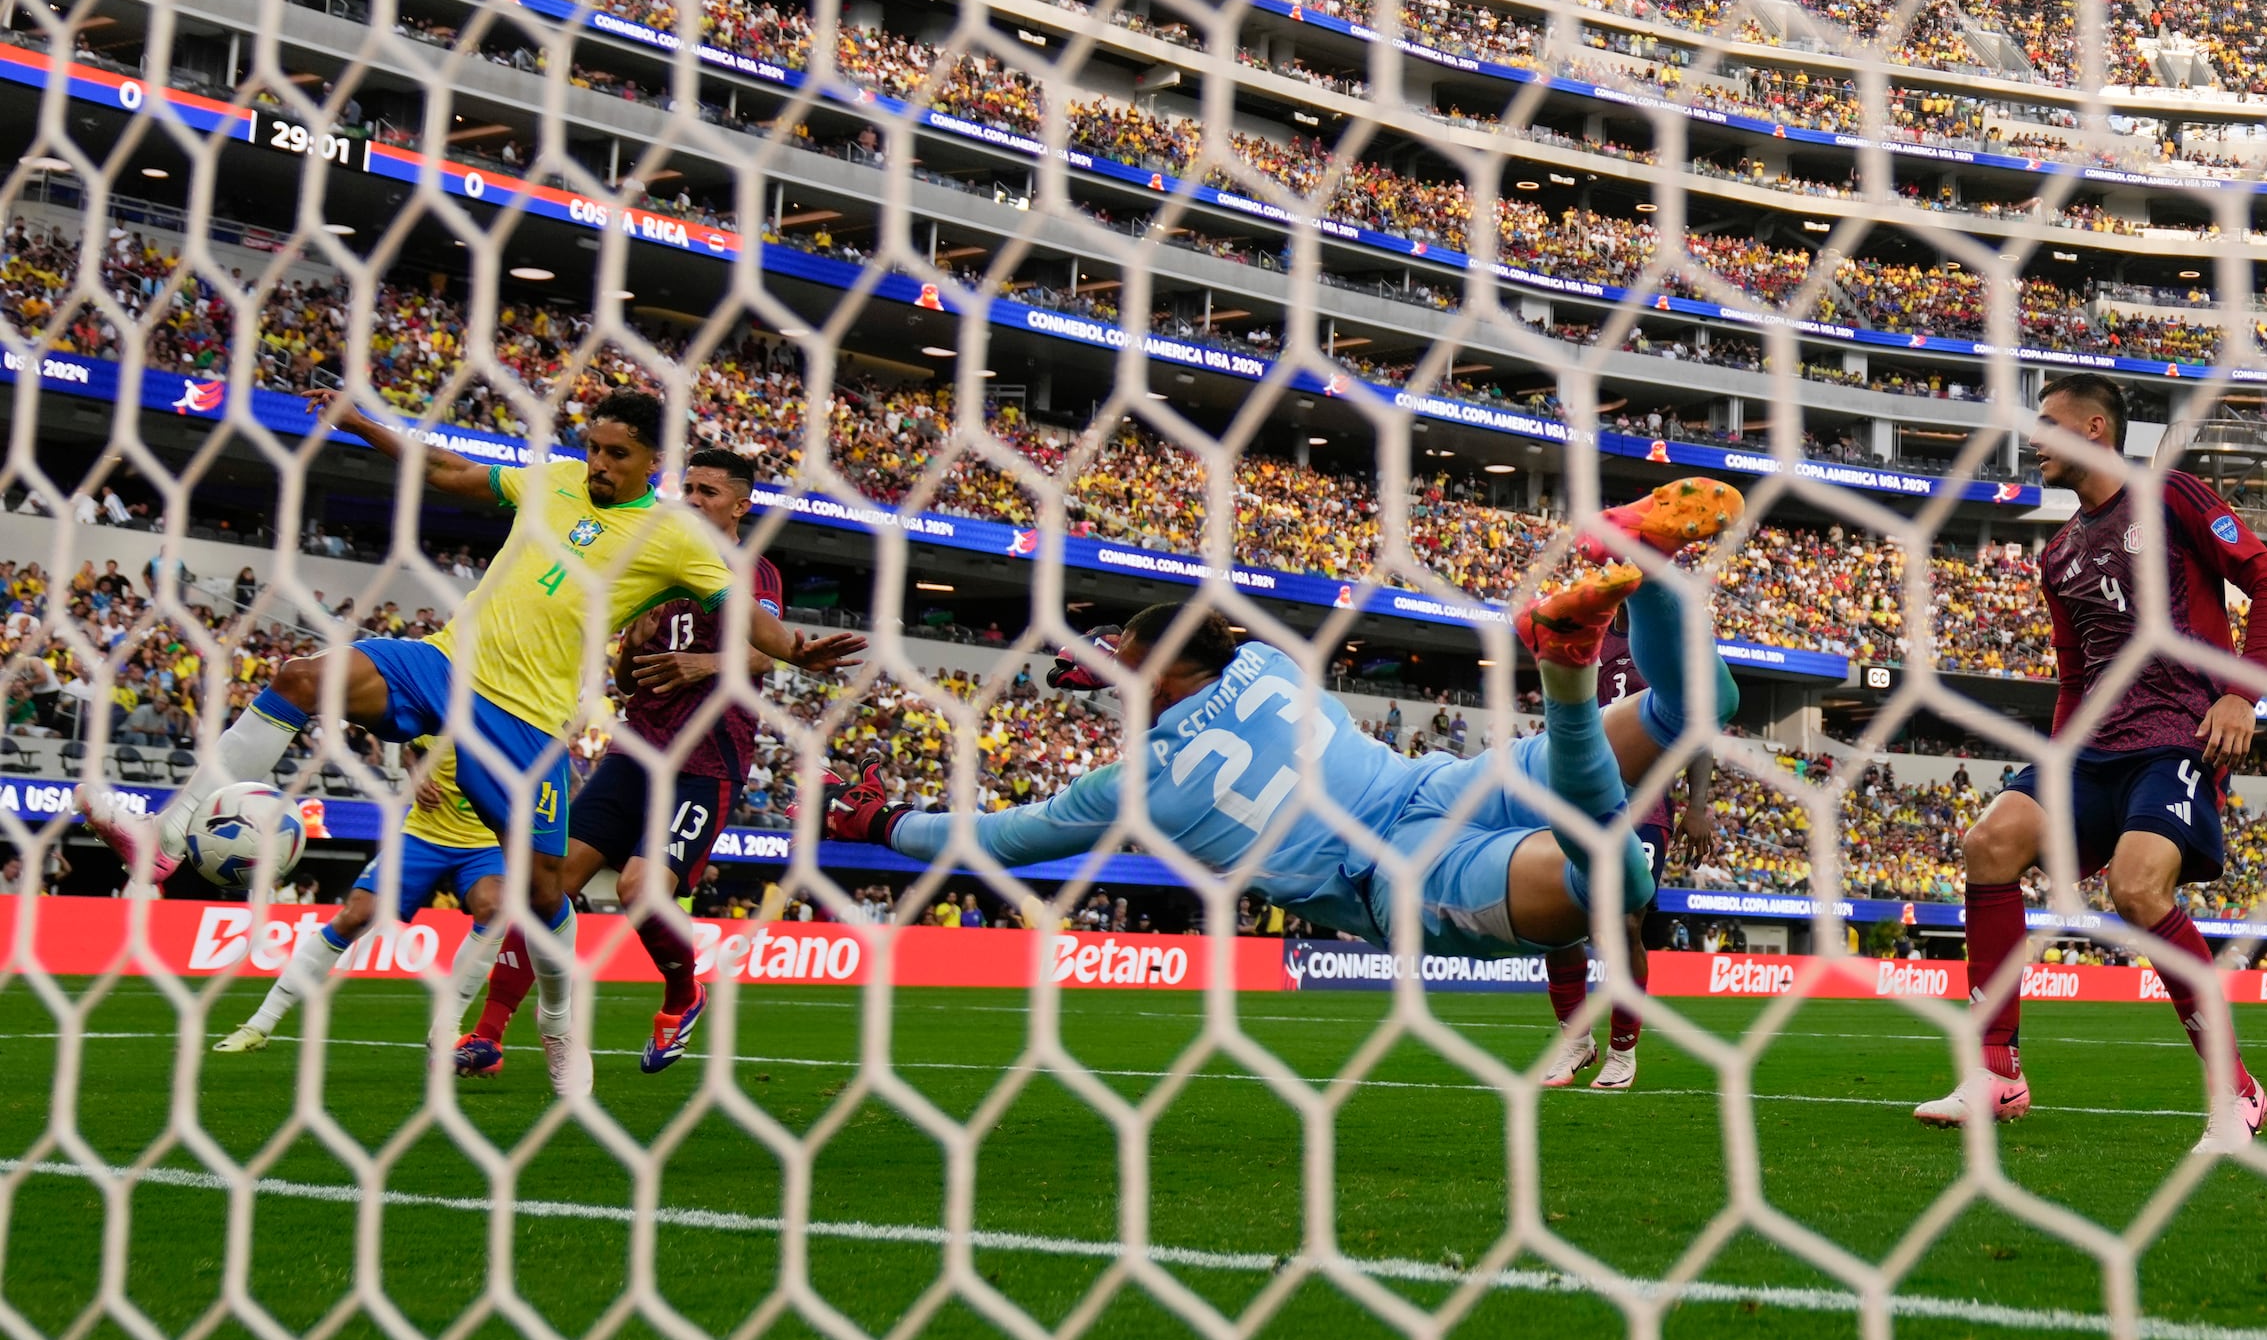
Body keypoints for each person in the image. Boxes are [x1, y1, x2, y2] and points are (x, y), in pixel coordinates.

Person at [84, 389, 859, 1094]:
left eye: (616, 453)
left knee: (544, 890)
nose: (597, 462)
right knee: (300, 676)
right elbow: (453, 471)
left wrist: (794, 650)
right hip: (445, 665)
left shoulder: (673, 537)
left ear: (654, 462)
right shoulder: (554, 479)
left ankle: (558, 1025)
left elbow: (750, 620)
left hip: (525, 723)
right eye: (592, 445)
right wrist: (362, 425)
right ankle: (169, 831)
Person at [831, 478, 1744, 968]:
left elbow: (997, 837)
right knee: (1701, 708)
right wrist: (1120, 656)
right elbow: (1202, 634)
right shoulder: (1265, 660)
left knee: (1615, 878)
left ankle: (1564, 670)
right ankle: (1651, 569)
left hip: (1395, 870)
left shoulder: (1136, 782)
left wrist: (879, 822)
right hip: (1429, 784)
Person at [1913, 374, 2267, 1156]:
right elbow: (2074, 676)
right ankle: (1997, 1072)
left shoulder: (2174, 496)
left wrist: (2242, 697)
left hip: (2177, 737)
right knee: (1987, 844)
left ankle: (2237, 1091)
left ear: (2094, 429)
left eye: (2046, 424)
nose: (2034, 439)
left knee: (2136, 887)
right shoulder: (2057, 553)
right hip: (2092, 748)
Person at [455, 448, 786, 1080]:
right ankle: (489, 1036)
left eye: (708, 492)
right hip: (637, 749)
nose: (691, 500)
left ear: (741, 506)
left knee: (639, 889)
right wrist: (629, 650)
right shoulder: (654, 561)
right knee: (544, 885)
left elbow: (767, 656)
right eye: (686, 487)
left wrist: (704, 664)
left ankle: (683, 995)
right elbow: (629, 682)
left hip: (706, 760)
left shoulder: (753, 571)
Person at [1541, 606, 1737, 1094]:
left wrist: (1696, 807)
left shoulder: (1671, 647)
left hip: (1644, 806)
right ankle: (1575, 1040)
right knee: (1558, 923)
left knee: (1625, 923)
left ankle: (1622, 1051)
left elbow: (1697, 730)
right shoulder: (1590, 642)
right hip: (1582, 799)